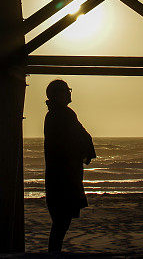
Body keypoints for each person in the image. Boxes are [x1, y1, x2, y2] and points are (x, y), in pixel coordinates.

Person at [43, 79, 96, 253]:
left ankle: (54, 252)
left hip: (60, 175)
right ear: (58, 95)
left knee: (61, 221)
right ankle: (54, 253)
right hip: (63, 177)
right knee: (61, 221)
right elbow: (75, 139)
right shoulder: (62, 115)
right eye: (66, 91)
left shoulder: (57, 114)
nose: (69, 93)